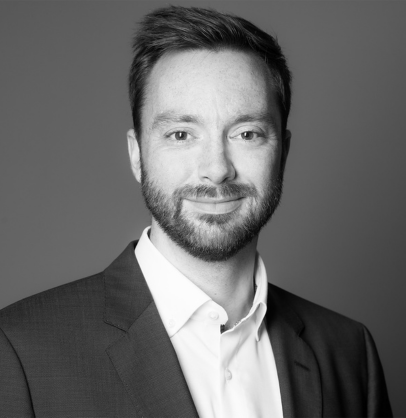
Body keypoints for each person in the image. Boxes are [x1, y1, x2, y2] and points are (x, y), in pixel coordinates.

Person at [0, 5, 392, 417]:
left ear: (283, 153)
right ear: (137, 155)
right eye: (181, 134)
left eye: (247, 133)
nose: (217, 169)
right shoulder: (20, 351)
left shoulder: (350, 352)